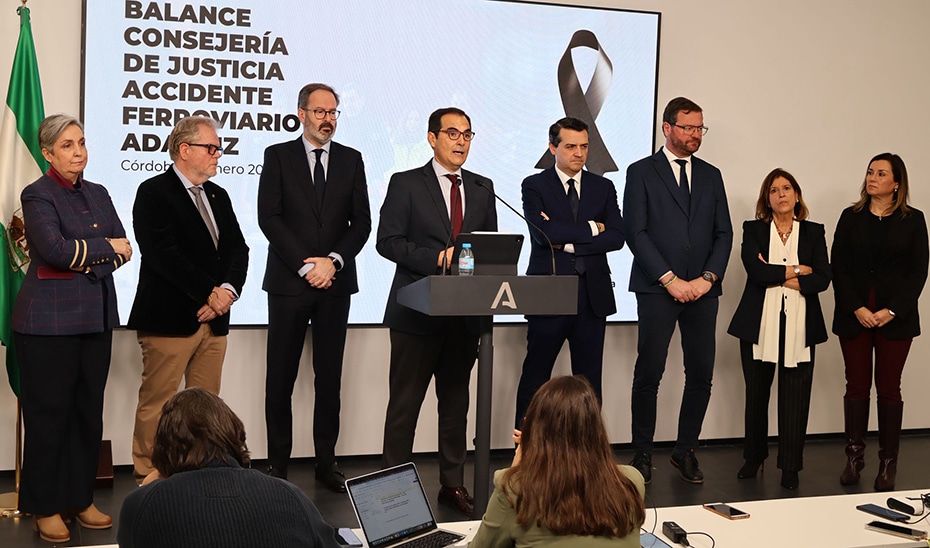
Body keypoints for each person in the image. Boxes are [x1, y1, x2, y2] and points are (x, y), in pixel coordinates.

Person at [12, 114, 132, 543]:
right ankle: (45, 506)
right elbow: (54, 251)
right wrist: (101, 252)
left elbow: (125, 248)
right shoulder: (37, 194)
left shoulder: (98, 193)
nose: (78, 152)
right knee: (49, 418)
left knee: (86, 414)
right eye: (67, 145)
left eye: (81, 142)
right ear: (47, 152)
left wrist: (89, 261)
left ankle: (80, 499)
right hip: (47, 325)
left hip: (95, 318)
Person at [377, 107, 498, 517]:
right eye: (452, 133)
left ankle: (452, 485)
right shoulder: (407, 183)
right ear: (432, 138)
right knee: (404, 406)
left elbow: (489, 248)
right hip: (416, 314)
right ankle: (393, 489)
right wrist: (437, 258)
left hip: (463, 316)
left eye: (467, 134)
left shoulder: (482, 187)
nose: (461, 141)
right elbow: (388, 242)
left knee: (455, 406)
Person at [258, 83, 371, 491]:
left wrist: (333, 261)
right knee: (280, 378)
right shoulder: (277, 156)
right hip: (290, 282)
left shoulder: (352, 159)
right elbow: (269, 218)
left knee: (329, 379)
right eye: (320, 112)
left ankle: (327, 463)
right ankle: (277, 466)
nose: (328, 119)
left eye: (333, 112)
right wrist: (307, 266)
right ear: (301, 114)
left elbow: (362, 222)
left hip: (335, 284)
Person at [127, 115, 249, 483]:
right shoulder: (153, 192)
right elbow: (162, 254)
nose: (217, 155)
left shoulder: (218, 194)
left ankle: (200, 474)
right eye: (210, 148)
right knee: (159, 403)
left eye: (218, 149)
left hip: (215, 320)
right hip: (169, 318)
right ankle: (148, 477)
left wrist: (227, 292)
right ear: (184, 149)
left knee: (207, 405)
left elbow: (238, 250)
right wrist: (209, 292)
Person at [623, 97, 733, 484]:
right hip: (658, 289)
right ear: (667, 128)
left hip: (703, 290)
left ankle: (685, 451)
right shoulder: (641, 171)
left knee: (701, 373)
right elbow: (635, 232)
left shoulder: (711, 175)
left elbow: (724, 233)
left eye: (700, 128)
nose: (695, 134)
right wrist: (669, 279)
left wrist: (708, 278)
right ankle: (642, 453)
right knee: (649, 373)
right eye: (688, 127)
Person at [117, 387, 342, 548]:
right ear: (234, 434)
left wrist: (145, 490)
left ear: (163, 445)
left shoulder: (142, 506)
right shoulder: (291, 496)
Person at [514, 117, 624, 428]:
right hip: (548, 294)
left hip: (592, 296)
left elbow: (617, 236)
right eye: (571, 146)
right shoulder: (534, 185)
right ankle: (523, 447)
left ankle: (588, 450)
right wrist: (593, 228)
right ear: (553, 148)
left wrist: (568, 244)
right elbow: (543, 235)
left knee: (590, 385)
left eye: (584, 146)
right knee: (536, 377)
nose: (579, 153)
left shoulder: (603, 187)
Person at [727, 168, 830, 490]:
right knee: (756, 395)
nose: (781, 194)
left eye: (786, 188)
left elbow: (823, 278)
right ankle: (754, 457)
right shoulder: (754, 229)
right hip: (758, 324)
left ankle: (790, 466)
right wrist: (797, 270)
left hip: (801, 325)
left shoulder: (813, 232)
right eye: (773, 190)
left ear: (796, 195)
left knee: (795, 399)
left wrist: (776, 273)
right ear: (766, 199)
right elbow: (756, 272)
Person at [832, 153, 928, 492]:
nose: (872, 178)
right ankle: (854, 459)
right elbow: (838, 265)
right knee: (856, 385)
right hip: (855, 315)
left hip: (895, 319)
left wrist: (892, 310)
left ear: (896, 183)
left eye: (881, 173)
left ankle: (888, 463)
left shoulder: (913, 220)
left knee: (889, 388)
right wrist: (856, 307)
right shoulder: (851, 216)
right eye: (870, 172)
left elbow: (918, 271)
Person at [470, 375, 645, 547]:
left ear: (534, 429)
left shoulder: (514, 489)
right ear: (596, 430)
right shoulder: (631, 481)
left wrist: (516, 469)